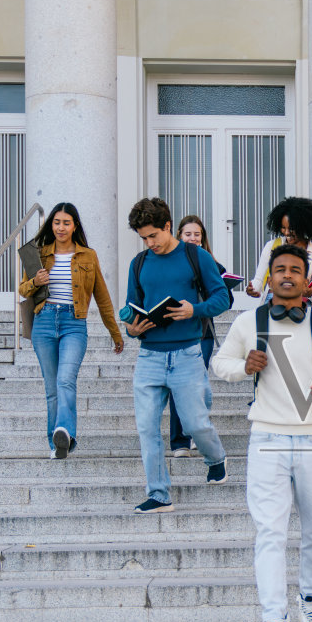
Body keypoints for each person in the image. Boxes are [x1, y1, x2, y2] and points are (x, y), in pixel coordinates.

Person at [212, 241, 312, 622]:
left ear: (306, 277)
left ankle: (310, 607)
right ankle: (274, 621)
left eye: (295, 269)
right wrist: (243, 368)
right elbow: (218, 364)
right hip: (266, 438)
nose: (287, 275)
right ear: (270, 276)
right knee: (269, 533)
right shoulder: (248, 322)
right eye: (279, 269)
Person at [122, 196, 230, 514]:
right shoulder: (139, 263)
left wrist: (193, 309)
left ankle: (216, 458)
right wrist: (133, 328)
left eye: (153, 235)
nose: (148, 242)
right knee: (146, 428)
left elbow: (222, 298)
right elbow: (131, 310)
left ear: (168, 226)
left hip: (187, 354)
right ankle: (158, 493)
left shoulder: (196, 257)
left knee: (195, 423)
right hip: (149, 357)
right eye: (143, 237)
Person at [18, 202, 123, 460]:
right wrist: (35, 282)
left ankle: (64, 430)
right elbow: (22, 289)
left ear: (75, 225)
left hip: (73, 322)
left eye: (66, 222)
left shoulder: (88, 255)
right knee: (52, 387)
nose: (61, 227)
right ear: (51, 225)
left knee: (66, 379)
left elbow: (103, 297)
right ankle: (56, 444)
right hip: (44, 321)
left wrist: (115, 332)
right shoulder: (39, 253)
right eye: (56, 222)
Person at [167, 214, 233, 458]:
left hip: (203, 333)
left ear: (203, 238)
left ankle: (196, 434)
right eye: (188, 234)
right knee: (178, 385)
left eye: (197, 234)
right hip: (176, 333)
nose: (193, 238)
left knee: (195, 385)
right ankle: (179, 440)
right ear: (179, 236)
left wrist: (219, 290)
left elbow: (227, 301)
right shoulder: (171, 263)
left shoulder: (213, 265)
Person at [247, 196, 312, 305]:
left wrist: (310, 294)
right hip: (273, 303)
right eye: (283, 228)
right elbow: (258, 280)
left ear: (304, 227)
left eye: (291, 228)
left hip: (302, 307)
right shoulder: (271, 246)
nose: (286, 233)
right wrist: (252, 289)